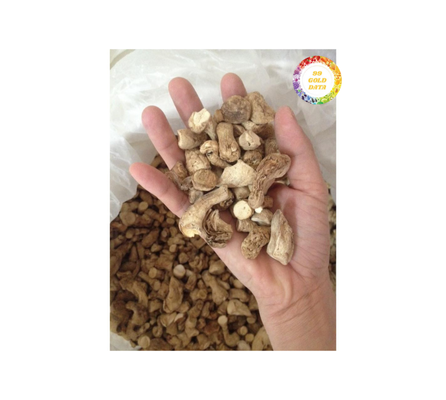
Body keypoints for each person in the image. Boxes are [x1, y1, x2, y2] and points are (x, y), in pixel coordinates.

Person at [129, 73, 336, 350]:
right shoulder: (221, 174)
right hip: (231, 191)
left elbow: (251, 168)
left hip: (240, 193)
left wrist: (301, 299)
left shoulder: (247, 174)